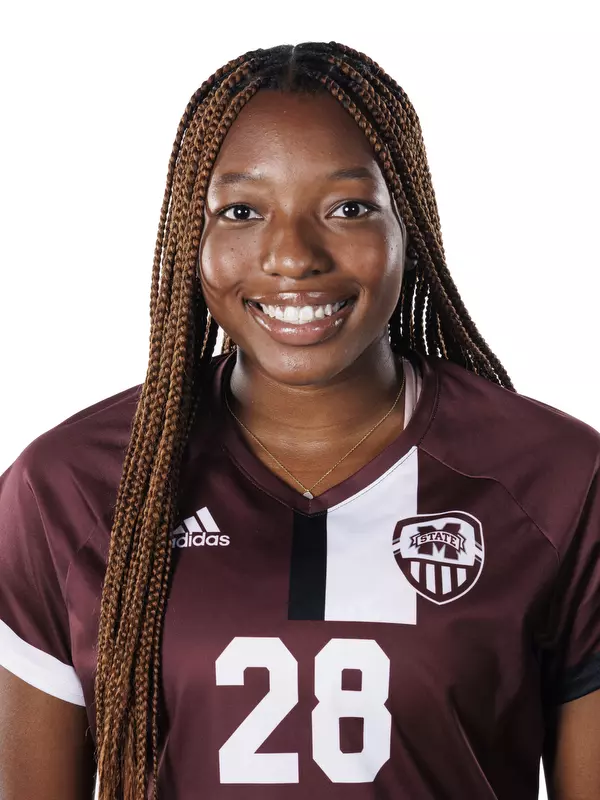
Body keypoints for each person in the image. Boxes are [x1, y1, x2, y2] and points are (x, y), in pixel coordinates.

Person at [0, 41, 598, 800]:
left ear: (408, 226)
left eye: (349, 208)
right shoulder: (70, 488)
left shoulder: (556, 480)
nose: (292, 256)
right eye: (242, 211)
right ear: (191, 236)